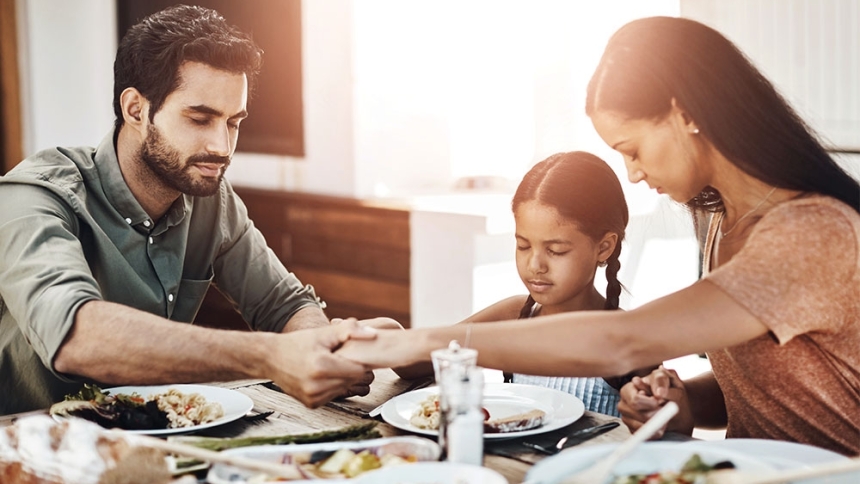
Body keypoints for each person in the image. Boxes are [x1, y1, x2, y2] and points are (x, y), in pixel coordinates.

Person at [337, 16, 860, 456]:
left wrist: (416, 340)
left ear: (685, 114)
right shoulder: (723, 220)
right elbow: (760, 392)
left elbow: (621, 340)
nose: (632, 173)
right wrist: (684, 403)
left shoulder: (813, 232)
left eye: (631, 148)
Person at [0, 5, 372, 415]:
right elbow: (75, 337)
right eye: (200, 118)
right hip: (26, 444)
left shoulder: (213, 199)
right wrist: (272, 355)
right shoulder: (36, 196)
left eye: (233, 122)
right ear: (136, 110)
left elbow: (284, 305)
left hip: (158, 440)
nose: (222, 147)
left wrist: (320, 350)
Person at [397, 151, 655, 416]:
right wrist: (384, 332)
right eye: (523, 245)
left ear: (604, 248)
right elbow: (413, 364)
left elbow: (670, 429)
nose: (535, 265)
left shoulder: (629, 341)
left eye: (555, 250)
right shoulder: (515, 316)